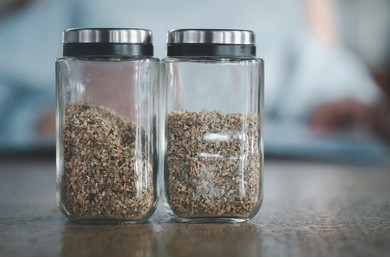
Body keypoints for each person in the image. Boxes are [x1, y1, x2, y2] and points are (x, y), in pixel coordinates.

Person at [0, 0, 388, 152]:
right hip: (102, 154)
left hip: (258, 164)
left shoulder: (283, 9)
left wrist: (352, 102)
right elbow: (11, 78)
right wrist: (64, 113)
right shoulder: (78, 6)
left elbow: (324, 73)